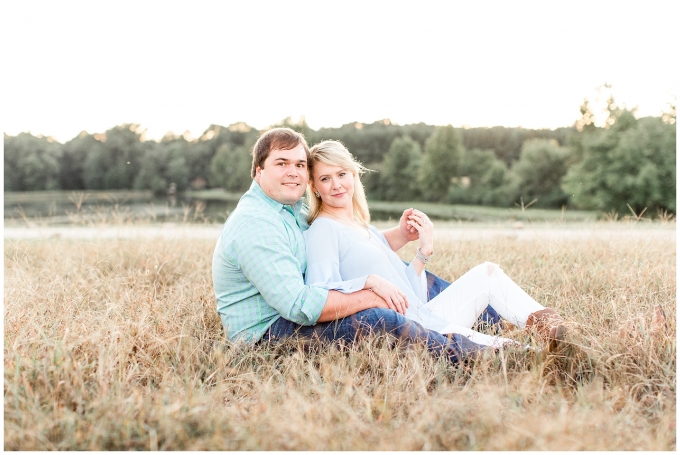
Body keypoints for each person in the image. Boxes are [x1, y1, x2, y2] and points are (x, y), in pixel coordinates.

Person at [211, 127, 492, 365]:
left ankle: (496, 320)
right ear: (258, 171)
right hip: (270, 336)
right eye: (281, 163)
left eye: (299, 165)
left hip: (292, 315)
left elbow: (349, 244)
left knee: (407, 276)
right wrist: (370, 292)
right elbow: (298, 306)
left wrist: (402, 235)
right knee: (380, 316)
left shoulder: (289, 208)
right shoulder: (257, 223)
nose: (293, 172)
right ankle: (474, 355)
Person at [303, 140, 568, 352]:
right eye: (325, 178)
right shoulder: (322, 230)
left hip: (424, 315)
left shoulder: (362, 226)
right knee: (510, 351)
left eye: (341, 174)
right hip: (409, 330)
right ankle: (552, 358)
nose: (336, 184)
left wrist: (423, 251)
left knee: (488, 273)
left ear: (353, 175)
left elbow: (408, 292)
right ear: (313, 186)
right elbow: (320, 294)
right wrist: (367, 282)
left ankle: (556, 329)